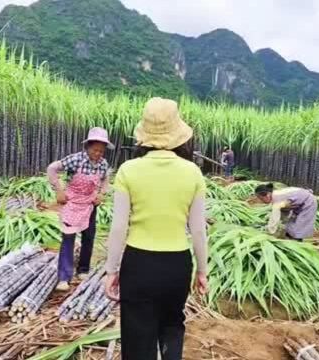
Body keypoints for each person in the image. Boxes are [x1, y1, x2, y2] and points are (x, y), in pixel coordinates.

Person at [104, 97, 209, 360]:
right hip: (177, 264)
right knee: (173, 325)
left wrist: (111, 270)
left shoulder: (128, 171)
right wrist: (202, 271)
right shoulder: (192, 172)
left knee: (137, 333)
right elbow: (198, 230)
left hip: (139, 263)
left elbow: (118, 228)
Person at [47, 127, 113, 291]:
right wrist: (59, 190)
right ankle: (64, 277)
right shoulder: (76, 159)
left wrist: (101, 194)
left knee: (89, 237)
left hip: (89, 205)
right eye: (95, 150)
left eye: (101, 151)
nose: (98, 153)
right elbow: (52, 168)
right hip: (72, 204)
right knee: (68, 239)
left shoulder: (103, 164)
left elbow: (105, 180)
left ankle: (83, 269)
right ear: (88, 147)